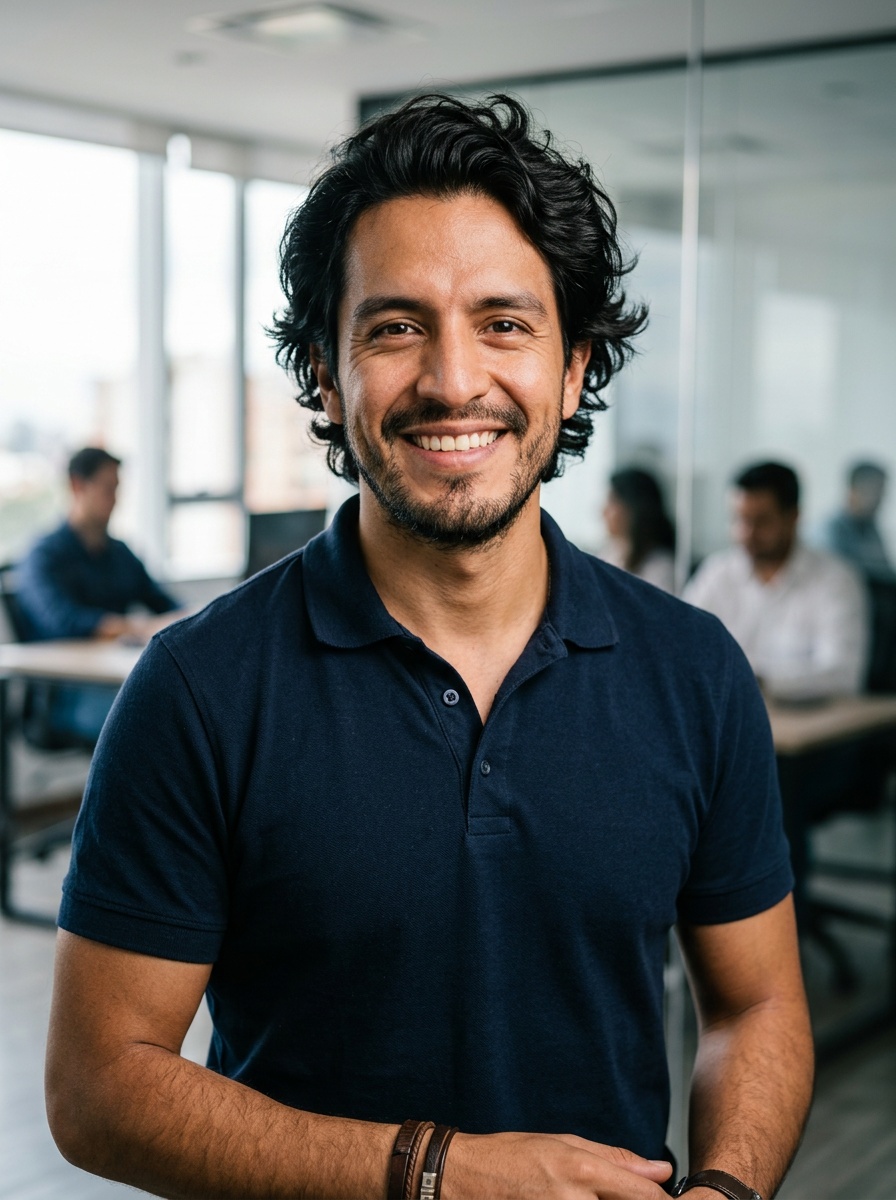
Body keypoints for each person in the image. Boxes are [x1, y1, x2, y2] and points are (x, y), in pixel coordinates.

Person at [46, 95, 812, 1200]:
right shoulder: (199, 688)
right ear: (323, 371)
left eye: (503, 322)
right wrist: (435, 1171)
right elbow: (98, 1090)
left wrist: (725, 1189)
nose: (454, 381)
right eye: (396, 326)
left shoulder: (693, 671)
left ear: (574, 369)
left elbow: (755, 1006)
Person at [16, 446, 181, 741]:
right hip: (66, 692)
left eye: (118, 489)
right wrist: (134, 627)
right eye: (108, 489)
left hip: (117, 678)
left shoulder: (119, 553)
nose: (116, 499)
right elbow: (63, 621)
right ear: (78, 486)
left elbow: (163, 603)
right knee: (149, 718)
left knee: (187, 707)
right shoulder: (44, 556)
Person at [683, 461, 867, 704]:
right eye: (739, 519)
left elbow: (842, 674)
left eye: (761, 522)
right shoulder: (717, 573)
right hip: (723, 717)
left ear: (793, 517)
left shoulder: (835, 580)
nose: (746, 533)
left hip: (803, 729)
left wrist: (760, 681)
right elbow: (681, 644)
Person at [600, 466, 676, 593]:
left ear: (633, 509)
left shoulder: (660, 568)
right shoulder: (609, 554)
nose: (604, 511)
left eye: (612, 502)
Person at [820, 459, 894, 582]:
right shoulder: (832, 529)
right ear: (854, 490)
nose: (880, 499)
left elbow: (884, 568)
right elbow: (840, 576)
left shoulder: (870, 527)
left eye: (882, 493)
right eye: (875, 491)